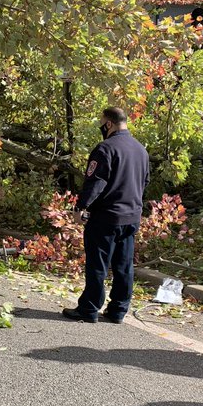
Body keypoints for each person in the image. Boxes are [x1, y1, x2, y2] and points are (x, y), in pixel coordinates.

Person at [63, 107, 149, 324]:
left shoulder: (106, 148)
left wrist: (80, 207)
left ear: (108, 124)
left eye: (102, 123)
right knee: (124, 266)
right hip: (131, 216)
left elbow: (96, 182)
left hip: (106, 217)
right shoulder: (141, 150)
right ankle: (118, 310)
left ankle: (89, 309)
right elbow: (144, 182)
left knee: (97, 265)